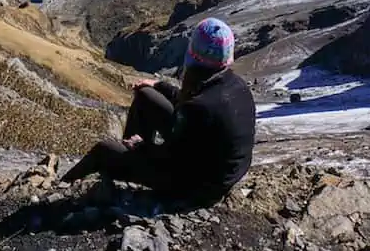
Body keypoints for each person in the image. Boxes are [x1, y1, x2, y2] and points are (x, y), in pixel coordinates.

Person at [61, 17, 256, 205]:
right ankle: (127, 163)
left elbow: (175, 158)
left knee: (103, 149)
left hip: (197, 186)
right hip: (212, 167)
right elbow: (187, 104)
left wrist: (140, 147)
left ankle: (62, 187)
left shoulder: (199, 108)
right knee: (146, 95)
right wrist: (158, 85)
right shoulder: (235, 85)